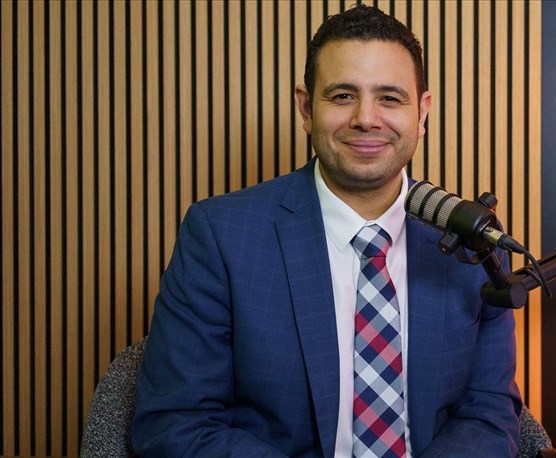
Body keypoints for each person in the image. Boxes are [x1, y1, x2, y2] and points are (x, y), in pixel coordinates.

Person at [132, 4, 522, 457]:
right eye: (342, 96)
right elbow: (177, 424)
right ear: (306, 107)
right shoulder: (220, 237)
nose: (366, 118)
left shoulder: (475, 244)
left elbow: (489, 414)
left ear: (422, 113)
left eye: (390, 98)